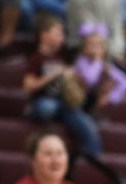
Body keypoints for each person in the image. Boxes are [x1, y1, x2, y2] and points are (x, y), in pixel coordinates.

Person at [23, 16, 102, 156]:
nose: (61, 37)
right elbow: (28, 86)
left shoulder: (63, 57)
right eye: (57, 33)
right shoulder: (36, 58)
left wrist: (76, 77)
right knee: (46, 108)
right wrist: (53, 75)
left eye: (62, 34)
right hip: (43, 100)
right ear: (44, 35)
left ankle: (92, 162)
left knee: (88, 126)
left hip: (64, 103)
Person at [72, 22, 126, 110]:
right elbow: (89, 80)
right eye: (91, 45)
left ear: (104, 48)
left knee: (108, 84)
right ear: (84, 47)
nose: (95, 48)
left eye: (99, 45)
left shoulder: (104, 64)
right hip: (80, 100)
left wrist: (111, 97)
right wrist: (97, 60)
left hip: (95, 101)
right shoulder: (81, 61)